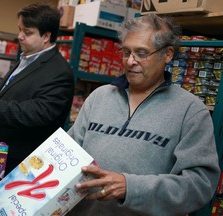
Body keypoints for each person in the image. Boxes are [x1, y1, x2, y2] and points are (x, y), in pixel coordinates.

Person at [67, 14, 220, 216]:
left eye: (141, 53)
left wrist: (130, 187)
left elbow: (199, 185)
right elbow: (67, 154)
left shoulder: (190, 111)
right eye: (126, 52)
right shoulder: (99, 97)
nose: (130, 61)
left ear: (167, 55)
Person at [0, 3, 74, 174]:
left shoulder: (59, 72)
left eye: (27, 32)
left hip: (17, 166)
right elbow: (7, 94)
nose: (20, 36)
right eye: (20, 30)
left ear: (46, 36)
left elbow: (37, 112)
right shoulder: (28, 57)